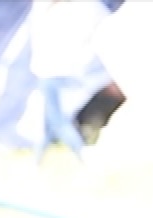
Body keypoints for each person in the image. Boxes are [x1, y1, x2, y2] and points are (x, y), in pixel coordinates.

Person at [29, 0, 102, 164]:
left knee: (58, 120)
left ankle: (83, 153)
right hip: (62, 72)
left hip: (51, 73)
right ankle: (36, 162)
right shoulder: (77, 11)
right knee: (47, 121)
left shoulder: (54, 12)